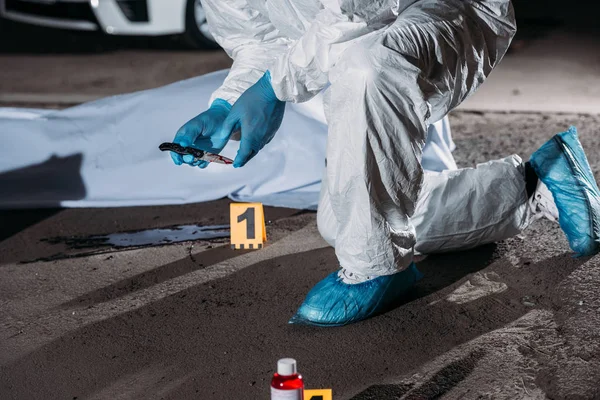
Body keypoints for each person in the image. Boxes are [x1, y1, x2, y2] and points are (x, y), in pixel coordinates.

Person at [169, 0, 600, 326]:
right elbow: (258, 40)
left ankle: (375, 270)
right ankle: (534, 183)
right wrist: (228, 104)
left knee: (367, 67)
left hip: (441, 10)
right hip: (355, 36)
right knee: (345, 223)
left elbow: (359, 8)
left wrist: (270, 91)